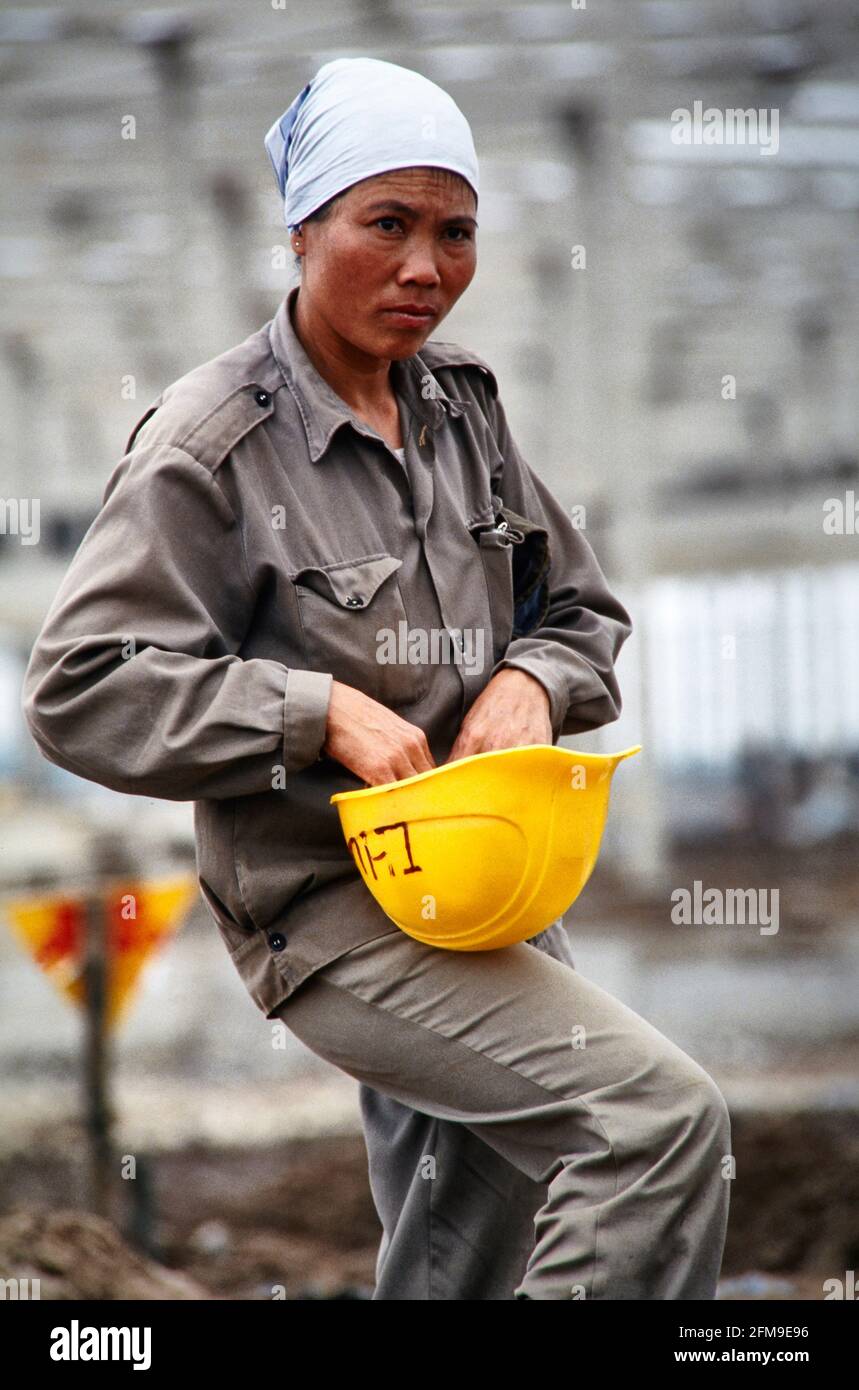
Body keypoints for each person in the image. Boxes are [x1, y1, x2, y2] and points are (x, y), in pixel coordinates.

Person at [21, 56, 731, 1300]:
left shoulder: (460, 409)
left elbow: (579, 608)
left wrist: (532, 679)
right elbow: (82, 683)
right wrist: (314, 711)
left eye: (455, 231)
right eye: (386, 223)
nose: (426, 267)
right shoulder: (213, 446)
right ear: (301, 230)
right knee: (653, 1123)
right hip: (334, 914)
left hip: (489, 885)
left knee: (464, 1246)